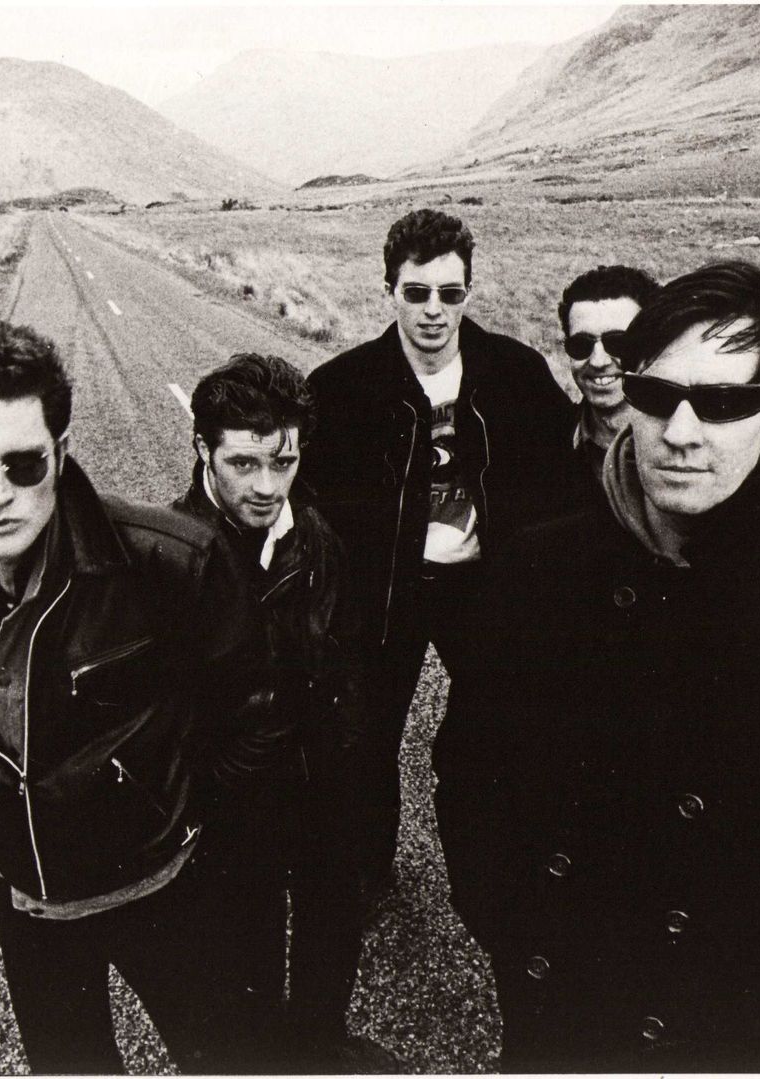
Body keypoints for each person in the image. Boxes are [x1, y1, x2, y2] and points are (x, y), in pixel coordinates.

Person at [435, 261, 760, 1071]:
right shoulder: (534, 575)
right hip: (559, 1029)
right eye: (657, 395)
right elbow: (470, 772)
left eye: (720, 402)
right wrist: (512, 928)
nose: (680, 431)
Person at [0, 321, 288, 1073]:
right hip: (27, 897)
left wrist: (174, 813)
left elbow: (253, 716)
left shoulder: (169, 560)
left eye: (24, 464)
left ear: (59, 453)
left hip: (164, 887)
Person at [300, 208, 577, 899]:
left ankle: (507, 874)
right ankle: (367, 874)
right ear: (389, 290)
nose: (433, 310)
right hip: (386, 590)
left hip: (483, 589)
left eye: (450, 294)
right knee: (367, 738)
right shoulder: (342, 386)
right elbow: (300, 494)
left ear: (469, 292)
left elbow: (567, 472)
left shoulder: (515, 373)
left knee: (504, 730)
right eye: (416, 292)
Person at [171, 352, 397, 1072]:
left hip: (324, 779)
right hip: (238, 800)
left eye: (284, 461)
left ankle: (320, 1041)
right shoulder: (174, 555)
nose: (267, 486)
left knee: (334, 915)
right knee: (249, 945)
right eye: (243, 463)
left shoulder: (318, 536)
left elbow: (347, 651)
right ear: (203, 449)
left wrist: (349, 753)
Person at [556, 263, 660, 503]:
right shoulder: (548, 446)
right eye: (581, 345)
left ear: (654, 344)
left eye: (618, 343)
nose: (598, 361)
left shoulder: (686, 443)